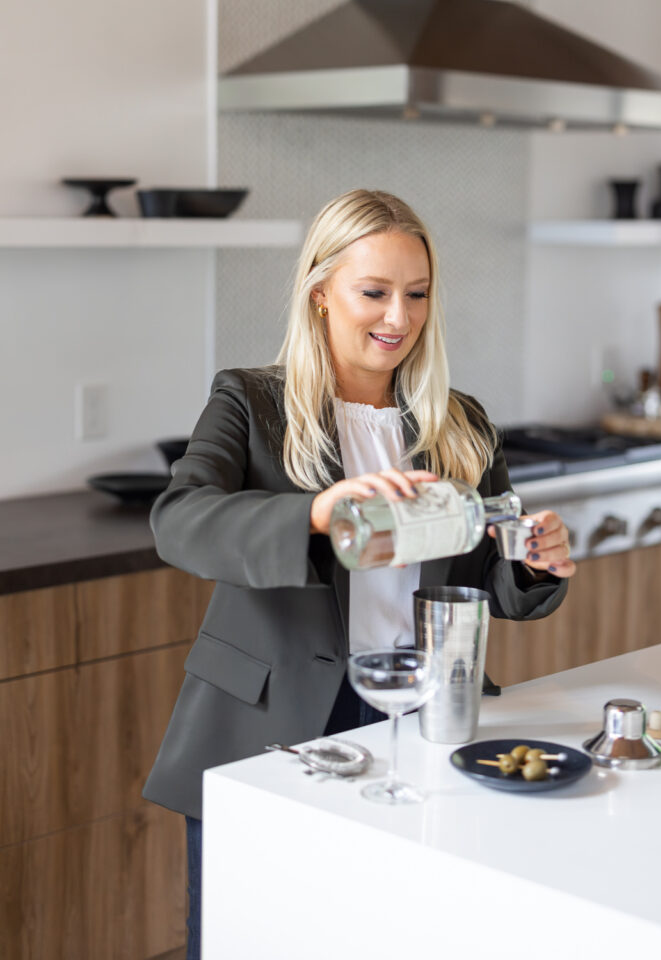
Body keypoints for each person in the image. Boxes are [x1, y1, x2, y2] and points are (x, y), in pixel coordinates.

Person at [143, 188, 575, 959]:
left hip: (418, 714)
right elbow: (179, 521)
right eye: (373, 292)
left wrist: (531, 562)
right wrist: (315, 513)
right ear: (320, 293)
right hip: (270, 723)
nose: (397, 318)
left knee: (393, 932)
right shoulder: (251, 401)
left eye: (415, 294)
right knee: (258, 935)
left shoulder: (459, 422)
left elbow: (489, 579)